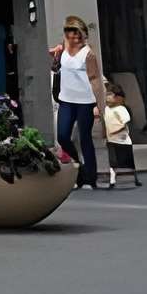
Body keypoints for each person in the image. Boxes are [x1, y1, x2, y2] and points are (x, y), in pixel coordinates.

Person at [49, 17, 109, 190]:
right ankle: (80, 173)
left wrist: (99, 105)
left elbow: (96, 80)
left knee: (85, 139)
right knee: (62, 136)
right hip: (66, 100)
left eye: (76, 34)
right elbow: (56, 69)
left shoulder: (88, 54)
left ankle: (90, 179)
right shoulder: (63, 49)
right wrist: (54, 59)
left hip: (85, 102)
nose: (72, 38)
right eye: (69, 34)